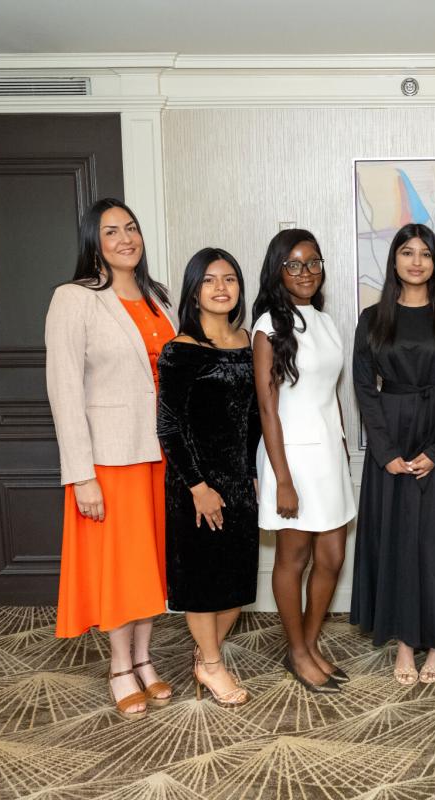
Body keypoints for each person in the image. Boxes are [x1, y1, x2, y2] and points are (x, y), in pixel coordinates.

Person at [45, 198, 175, 719]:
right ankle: (119, 666)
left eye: (132, 228)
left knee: (150, 566)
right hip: (110, 459)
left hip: (160, 455)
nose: (126, 238)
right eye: (111, 231)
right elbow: (64, 391)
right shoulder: (74, 299)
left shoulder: (157, 297)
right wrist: (81, 476)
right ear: (92, 242)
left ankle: (144, 659)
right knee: (121, 569)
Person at [351, 223, 435, 686]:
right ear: (394, 260)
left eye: (425, 253)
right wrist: (384, 451)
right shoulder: (371, 318)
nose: (416, 261)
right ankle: (405, 643)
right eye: (407, 252)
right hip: (391, 434)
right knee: (400, 542)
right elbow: (365, 389)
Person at [252, 228, 357, 694]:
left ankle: (310, 644)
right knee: (293, 558)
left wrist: (341, 447)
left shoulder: (326, 322)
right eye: (294, 264)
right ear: (278, 270)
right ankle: (296, 653)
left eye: (313, 262)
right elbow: (268, 408)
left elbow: (329, 394)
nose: (306, 272)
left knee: (332, 555)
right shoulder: (267, 327)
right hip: (289, 457)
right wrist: (283, 480)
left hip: (327, 454)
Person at [157, 247, 260, 707]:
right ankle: (214, 666)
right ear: (194, 291)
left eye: (230, 279)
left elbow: (255, 418)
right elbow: (169, 427)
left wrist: (254, 473)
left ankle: (204, 656)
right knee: (202, 583)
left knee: (237, 584)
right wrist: (198, 486)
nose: (221, 288)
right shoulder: (181, 350)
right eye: (210, 280)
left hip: (241, 480)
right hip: (195, 484)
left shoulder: (247, 342)